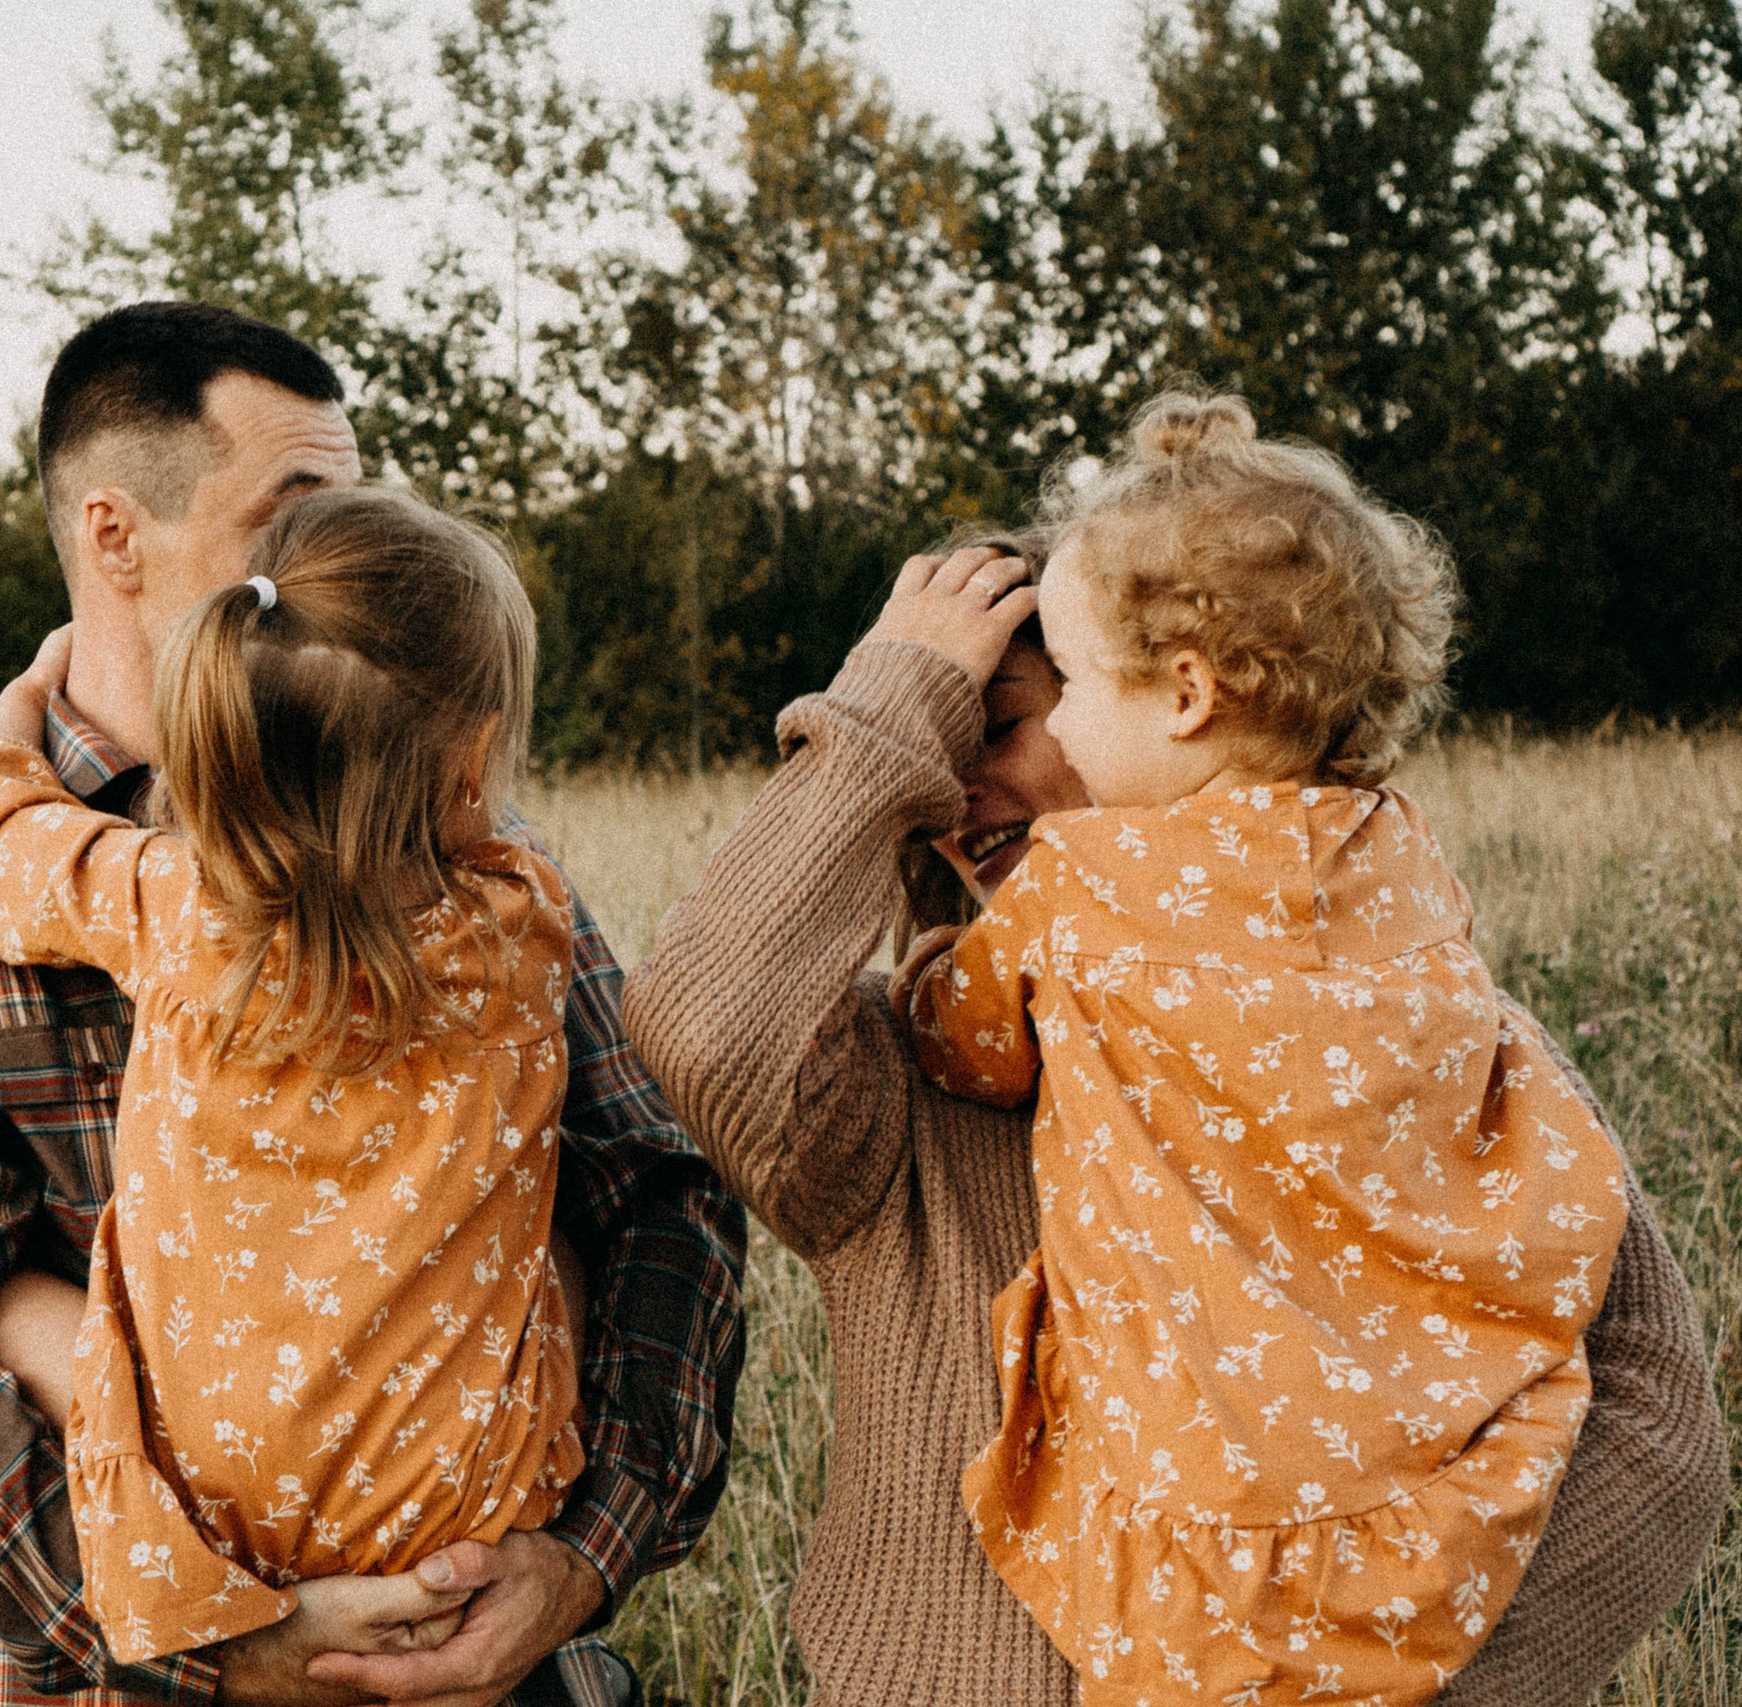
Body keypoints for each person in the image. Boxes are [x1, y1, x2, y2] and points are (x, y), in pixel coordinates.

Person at [0, 301, 745, 1707]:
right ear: (114, 535)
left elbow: (664, 1198)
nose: (332, 568)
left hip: (472, 1646)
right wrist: (212, 1637)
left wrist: (577, 1564)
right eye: (292, 519)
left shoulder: (462, 866)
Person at [623, 527, 1725, 1700]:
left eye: (997, 724)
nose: (955, 788)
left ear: (1168, 704)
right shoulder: (887, 1063)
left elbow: (1657, 1416)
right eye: (932, 748)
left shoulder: (1400, 1009)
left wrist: (1362, 1675)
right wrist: (891, 691)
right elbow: (700, 1023)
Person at [885, 394, 1623, 1703]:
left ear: (1184, 692)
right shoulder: (1400, 858)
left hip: (1220, 1498)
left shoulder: (1084, 888)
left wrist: (932, 962)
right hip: (1424, 1459)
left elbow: (965, 1042)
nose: (1052, 733)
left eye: (1073, 681)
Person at [0, 487, 586, 1664]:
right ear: (475, 760)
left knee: (23, 1310)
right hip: (453, 1524)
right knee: (564, 1260)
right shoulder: (520, 929)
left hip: (211, 1518)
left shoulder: (172, 908)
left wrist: (15, 715)